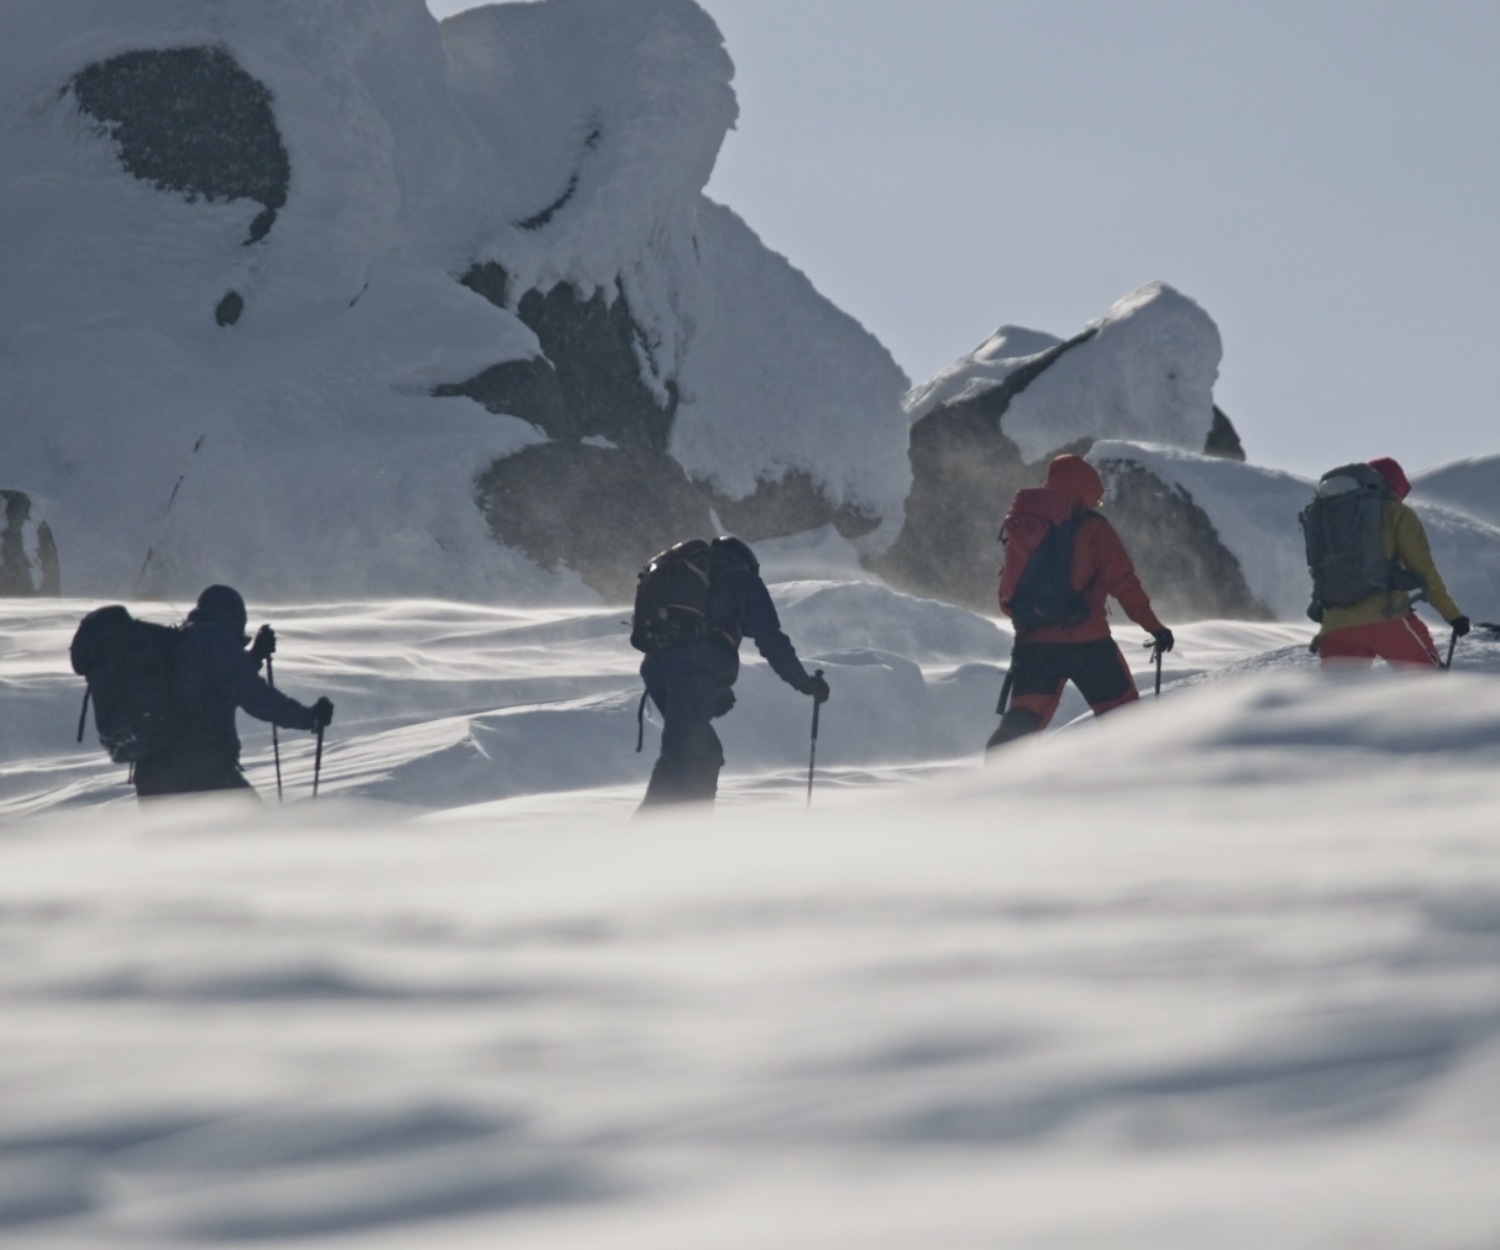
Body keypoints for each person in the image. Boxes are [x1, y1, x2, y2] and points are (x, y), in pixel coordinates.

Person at [987, 454, 1172, 750]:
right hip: (1090, 645)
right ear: (1087, 491)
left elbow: (1007, 594)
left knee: (1022, 724)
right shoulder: (1095, 528)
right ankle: (1134, 787)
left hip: (1034, 647)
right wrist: (1155, 628)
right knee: (1124, 720)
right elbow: (1124, 583)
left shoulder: (1026, 525)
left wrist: (1036, 618)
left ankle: (992, 789)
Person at [636, 536, 829, 809]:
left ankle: (689, 827)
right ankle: (645, 839)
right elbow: (770, 639)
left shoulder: (692, 578)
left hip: (656, 669)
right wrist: (805, 683)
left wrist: (715, 691)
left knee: (704, 752)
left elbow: (690, 644)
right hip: (693, 672)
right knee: (681, 755)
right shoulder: (743, 580)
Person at [133, 585, 333, 798]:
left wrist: (254, 657)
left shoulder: (183, 639)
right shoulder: (215, 638)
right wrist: (308, 718)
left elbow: (216, 682)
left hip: (152, 774)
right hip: (199, 770)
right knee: (251, 828)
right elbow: (255, 696)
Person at [1311, 457, 1469, 668]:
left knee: (1342, 698)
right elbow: (1424, 571)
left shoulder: (1329, 513)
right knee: (1430, 690)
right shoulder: (1397, 513)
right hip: (1387, 620)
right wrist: (1453, 616)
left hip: (1335, 629)